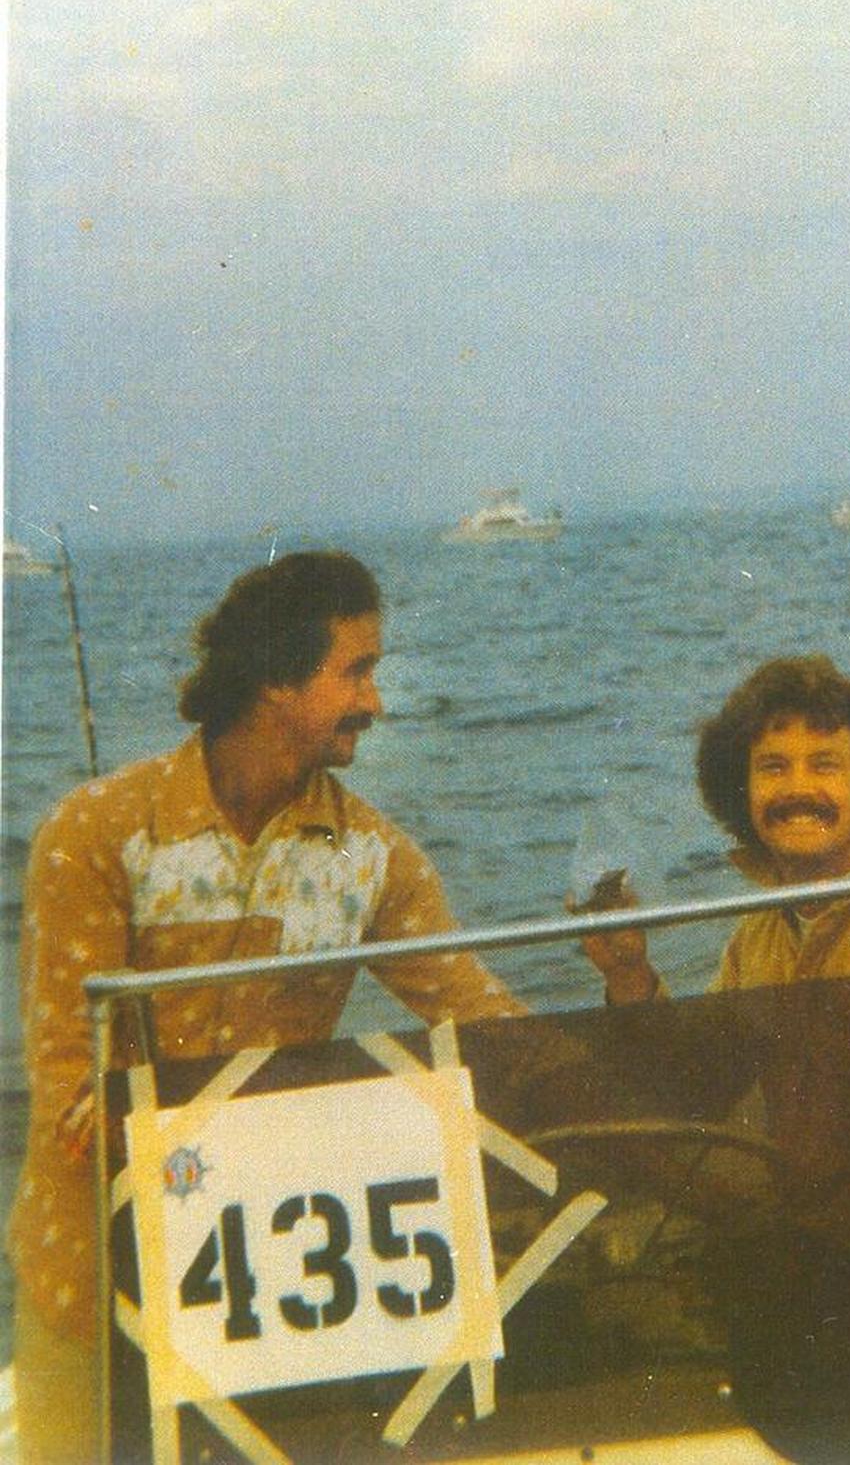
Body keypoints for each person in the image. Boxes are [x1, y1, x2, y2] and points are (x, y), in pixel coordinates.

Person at [8, 549, 525, 1463]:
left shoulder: (371, 856)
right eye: (356, 671)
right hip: (91, 1283)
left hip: (262, 1283)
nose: (376, 701)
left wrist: (625, 1035)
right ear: (277, 680)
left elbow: (478, 1010)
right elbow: (71, 1100)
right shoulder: (93, 835)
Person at [583, 652, 850, 1001]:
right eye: (773, 767)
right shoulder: (756, 937)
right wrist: (629, 975)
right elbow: (702, 1084)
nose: (797, 788)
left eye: (824, 765)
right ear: (743, 793)